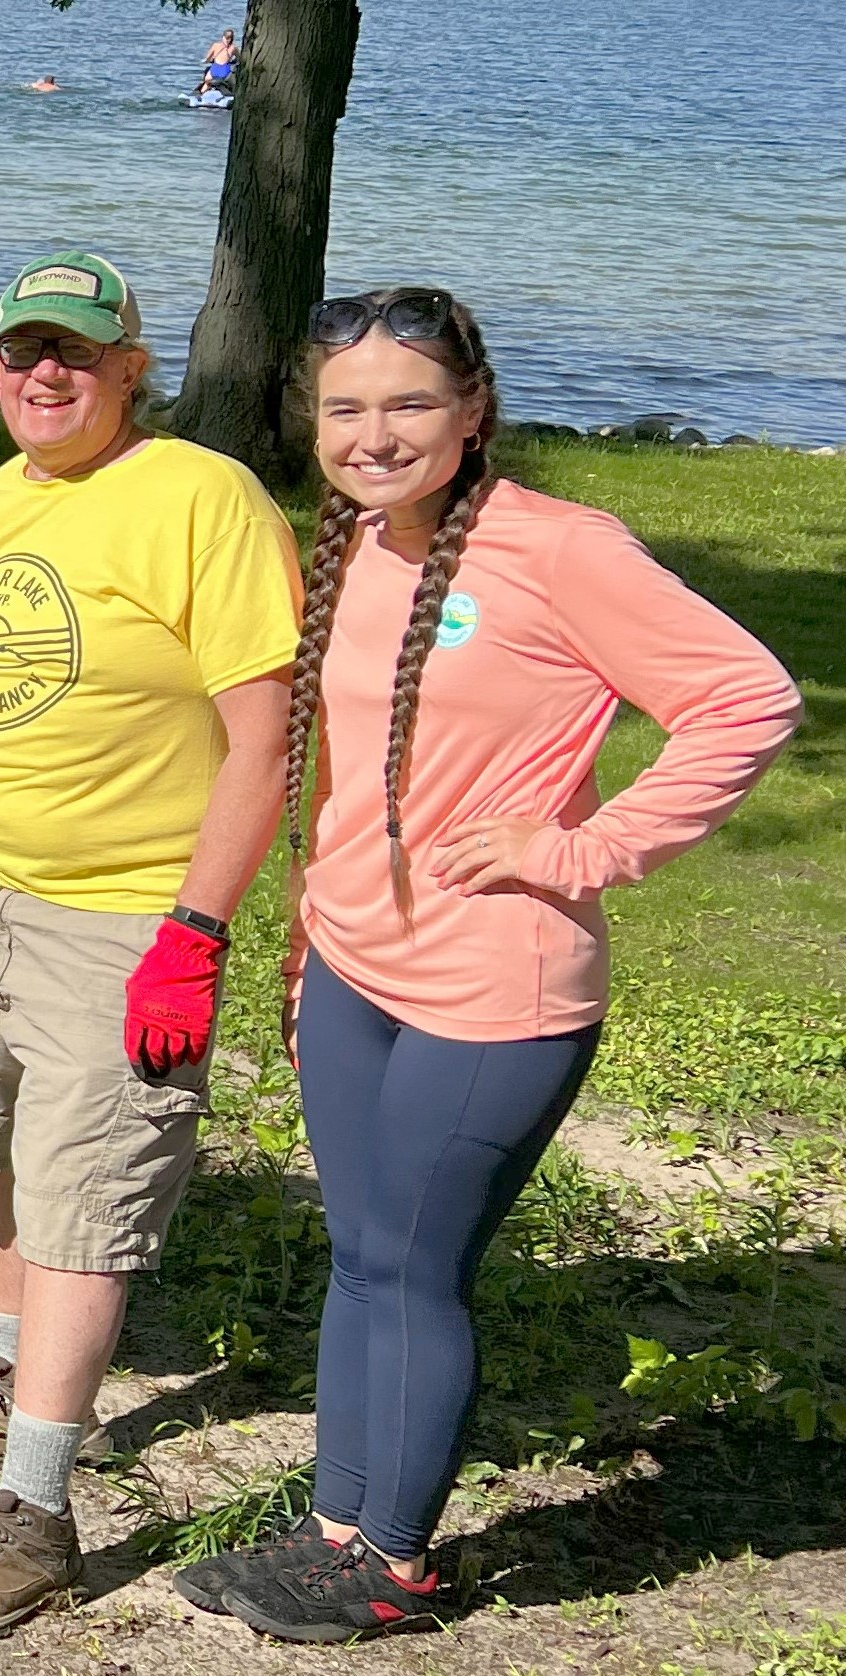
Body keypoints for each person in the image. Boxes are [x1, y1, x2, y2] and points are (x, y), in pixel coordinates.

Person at [173, 290, 798, 1641]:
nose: (372, 434)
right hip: (350, 967)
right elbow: (342, 776)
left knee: (408, 1265)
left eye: (407, 403)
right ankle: (335, 1528)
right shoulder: (345, 544)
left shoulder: (557, 549)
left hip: (489, 990)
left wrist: (585, 848)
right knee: (355, 1257)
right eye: (342, 408)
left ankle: (388, 1567)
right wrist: (304, 948)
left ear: (469, 411)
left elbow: (745, 696)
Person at [0, 253, 298, 1640]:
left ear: (131, 366)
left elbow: (263, 738)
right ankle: (20, 1404)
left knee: (82, 1189)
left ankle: (37, 1512)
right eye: (15, 352)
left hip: (119, 906)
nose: (38, 375)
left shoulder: (197, 497)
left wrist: (191, 929)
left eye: (71, 352)